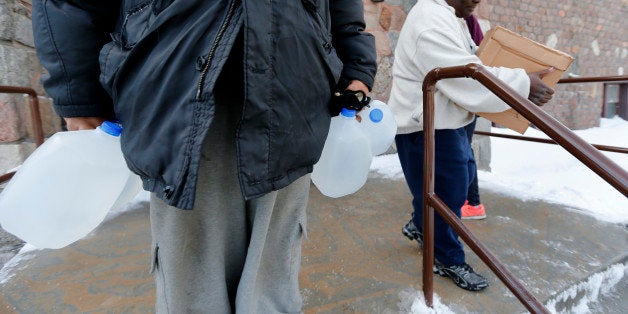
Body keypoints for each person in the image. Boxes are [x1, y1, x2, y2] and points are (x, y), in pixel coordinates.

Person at [32, 0, 377, 312]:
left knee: (272, 275)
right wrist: (78, 93)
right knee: (192, 280)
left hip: (292, 86)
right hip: (177, 82)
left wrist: (357, 66)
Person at [390, 0, 554, 291]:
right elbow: (465, 75)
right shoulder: (430, 18)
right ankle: (447, 258)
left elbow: (471, 64)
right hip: (428, 125)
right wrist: (523, 83)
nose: (478, 1)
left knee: (446, 187)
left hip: (447, 120)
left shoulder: (449, 16)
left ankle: (420, 225)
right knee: (447, 198)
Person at [462, 14, 486, 220]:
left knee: (463, 149)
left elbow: (483, 55)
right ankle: (468, 201)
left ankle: (473, 203)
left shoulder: (466, 18)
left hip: (466, 96)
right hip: (463, 95)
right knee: (462, 148)